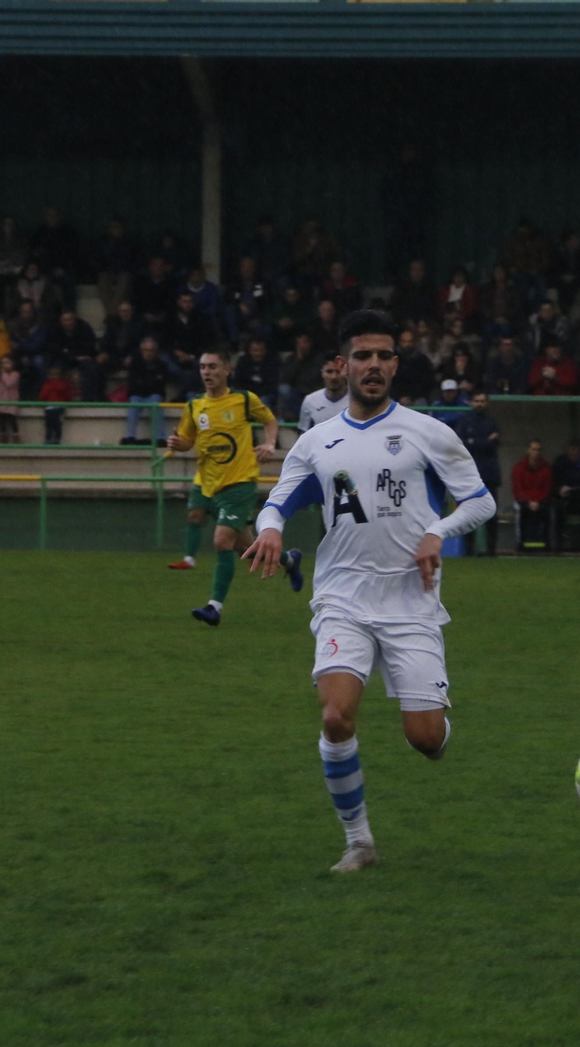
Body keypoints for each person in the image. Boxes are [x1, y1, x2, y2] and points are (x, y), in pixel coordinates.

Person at [243, 308, 495, 873]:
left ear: (396, 364)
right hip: (343, 599)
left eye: (383, 355)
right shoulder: (316, 441)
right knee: (336, 717)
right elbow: (278, 501)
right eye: (363, 356)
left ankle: (435, 721)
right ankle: (359, 842)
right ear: (343, 365)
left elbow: (481, 501)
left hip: (412, 601)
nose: (373, 365)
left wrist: (438, 531)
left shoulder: (429, 433)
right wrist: (270, 530)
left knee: (426, 740)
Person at [166, 348, 281, 626]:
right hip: (210, 486)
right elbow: (187, 440)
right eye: (203, 367)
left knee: (221, 541)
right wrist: (179, 445)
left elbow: (270, 420)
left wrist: (269, 443)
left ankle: (214, 607)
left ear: (227, 370)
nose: (207, 372)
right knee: (247, 547)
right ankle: (289, 560)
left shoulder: (243, 400)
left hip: (240, 482)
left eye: (213, 367)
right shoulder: (194, 406)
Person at [452, 392, 502, 556]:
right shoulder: (465, 422)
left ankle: (491, 551)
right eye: (477, 401)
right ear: (472, 402)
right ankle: (468, 552)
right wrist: (486, 441)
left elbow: (494, 445)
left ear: (487, 403)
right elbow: (462, 446)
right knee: (469, 513)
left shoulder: (493, 422)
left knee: (491, 513)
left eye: (482, 401)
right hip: (469, 475)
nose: (479, 404)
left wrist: (475, 441)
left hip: (489, 474)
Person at [121, 336, 169, 445]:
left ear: (156, 351)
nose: (149, 353)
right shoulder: (134, 364)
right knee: (134, 402)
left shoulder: (162, 365)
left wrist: (146, 383)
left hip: (153, 395)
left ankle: (160, 437)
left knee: (156, 401)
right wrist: (150, 382)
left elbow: (159, 387)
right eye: (146, 350)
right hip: (138, 395)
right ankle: (130, 436)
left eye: (152, 350)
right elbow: (133, 385)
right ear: (141, 351)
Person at [551, 441, 580, 551]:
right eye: (571, 451)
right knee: (558, 508)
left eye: (576, 451)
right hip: (565, 500)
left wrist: (576, 490)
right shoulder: (560, 462)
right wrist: (560, 490)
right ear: (567, 451)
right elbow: (553, 484)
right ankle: (559, 544)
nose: (574, 454)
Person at [511, 439, 553, 551]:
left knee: (548, 511)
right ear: (528, 450)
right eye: (534, 449)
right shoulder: (518, 468)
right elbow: (517, 489)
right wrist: (528, 502)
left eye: (538, 450)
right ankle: (521, 543)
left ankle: (546, 544)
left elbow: (547, 489)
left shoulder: (546, 468)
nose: (536, 452)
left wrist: (538, 501)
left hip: (540, 501)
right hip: (524, 501)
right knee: (520, 511)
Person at [297, 352, 349, 431]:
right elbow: (304, 433)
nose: (334, 377)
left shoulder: (356, 400)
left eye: (338, 372)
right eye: (329, 371)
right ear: (322, 373)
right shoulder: (310, 401)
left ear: (345, 372)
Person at [38, 364, 75, 445]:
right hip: (58, 407)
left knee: (50, 425)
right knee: (56, 425)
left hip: (50, 407)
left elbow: (43, 396)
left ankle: (49, 439)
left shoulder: (47, 385)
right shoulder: (63, 384)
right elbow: (67, 396)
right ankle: (56, 439)